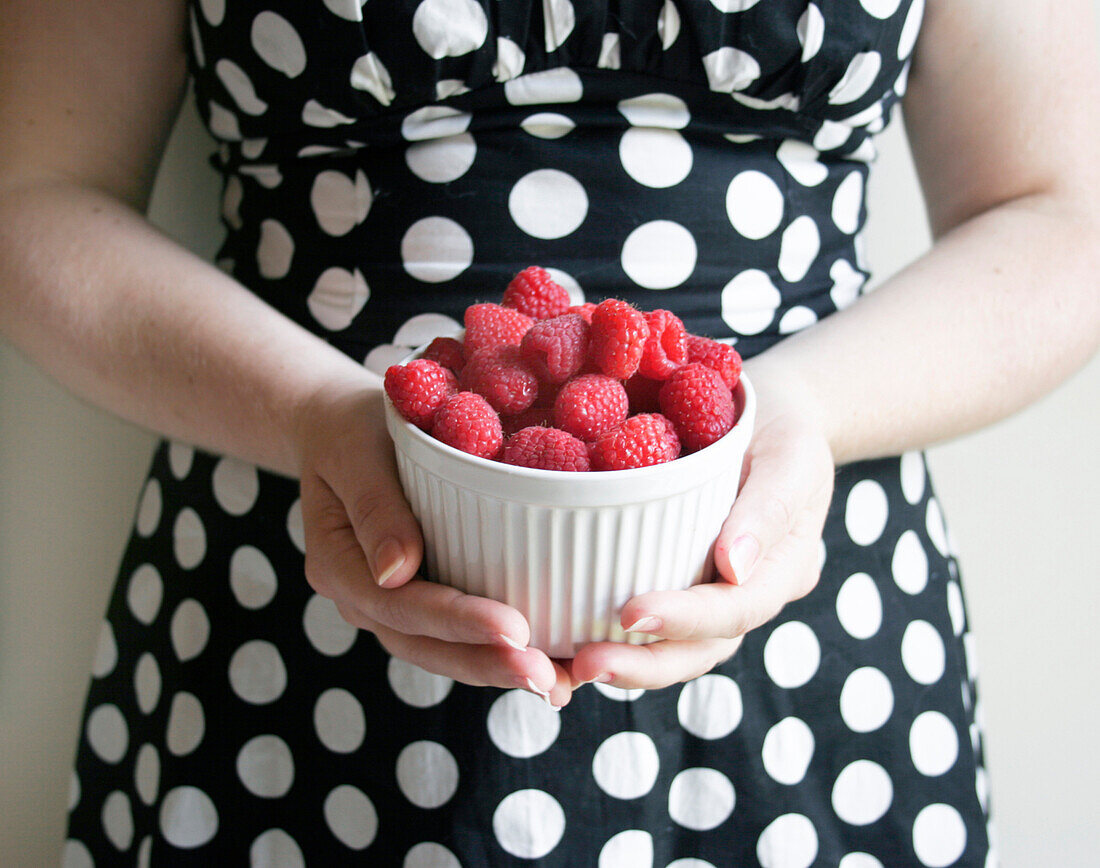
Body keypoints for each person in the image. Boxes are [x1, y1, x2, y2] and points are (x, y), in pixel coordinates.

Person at [2, 0, 1098, 864]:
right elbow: (33, 192)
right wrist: (312, 412)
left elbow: (1060, 213)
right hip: (297, 573)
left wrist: (798, 414)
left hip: (795, 594)